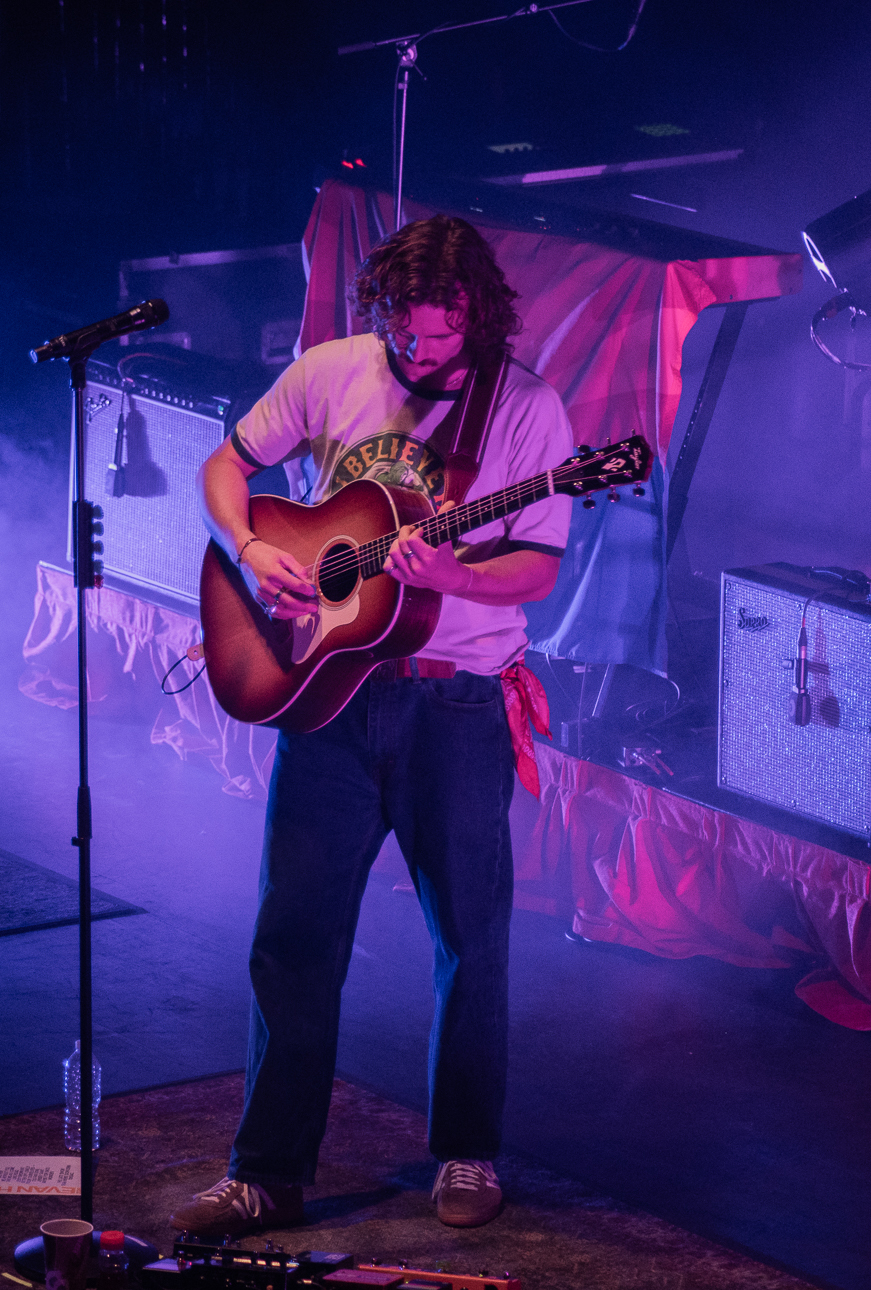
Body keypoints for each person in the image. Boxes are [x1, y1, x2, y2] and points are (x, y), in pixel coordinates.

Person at [173, 214, 574, 1234]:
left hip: (455, 701)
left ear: (478, 315)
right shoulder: (331, 370)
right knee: (293, 932)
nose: (422, 353)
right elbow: (225, 469)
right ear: (380, 311)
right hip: (329, 688)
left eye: (442, 336)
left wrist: (452, 574)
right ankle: (265, 1171)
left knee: (470, 938)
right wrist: (251, 548)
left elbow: (537, 567)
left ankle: (467, 1154)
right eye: (406, 333)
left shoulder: (526, 411)